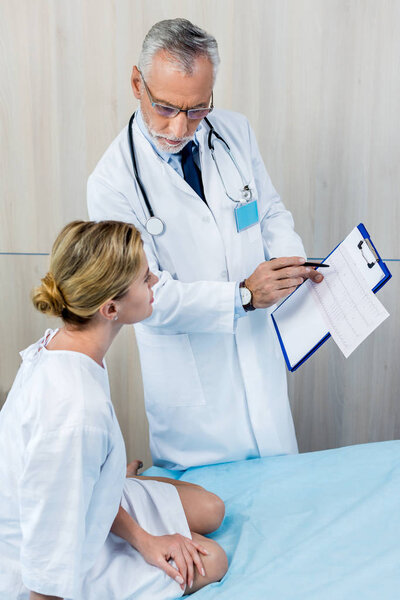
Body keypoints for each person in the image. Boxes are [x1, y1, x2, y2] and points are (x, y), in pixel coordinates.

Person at [87, 18, 323, 470]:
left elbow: (269, 211)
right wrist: (244, 295)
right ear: (137, 83)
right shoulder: (111, 184)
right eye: (166, 108)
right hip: (193, 394)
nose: (180, 128)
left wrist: (289, 263)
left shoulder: (235, 133)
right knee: (212, 521)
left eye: (197, 109)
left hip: (259, 357)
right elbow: (145, 295)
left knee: (282, 502)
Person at [0, 220, 227, 600]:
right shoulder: (74, 414)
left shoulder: (62, 346)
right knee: (213, 559)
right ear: (110, 308)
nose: (155, 280)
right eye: (144, 277)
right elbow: (46, 562)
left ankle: (102, 481)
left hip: (75, 498)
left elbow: (57, 474)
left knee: (211, 509)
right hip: (46, 560)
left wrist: (143, 537)